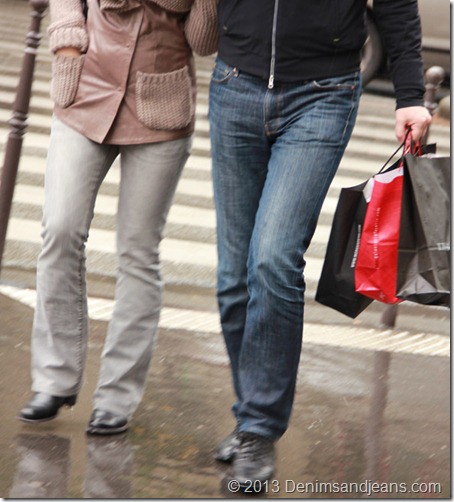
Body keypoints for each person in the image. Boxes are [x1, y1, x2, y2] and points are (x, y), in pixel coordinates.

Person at [208, 0, 431, 485]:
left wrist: (411, 94)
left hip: (322, 94)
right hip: (233, 84)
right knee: (232, 278)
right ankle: (249, 416)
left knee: (271, 259)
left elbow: (396, 4)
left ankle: (259, 430)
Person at [18, 0, 218, 435]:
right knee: (60, 229)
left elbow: (204, 41)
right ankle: (54, 379)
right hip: (86, 87)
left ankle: (116, 398)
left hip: (160, 103)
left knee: (138, 251)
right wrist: (68, 43)